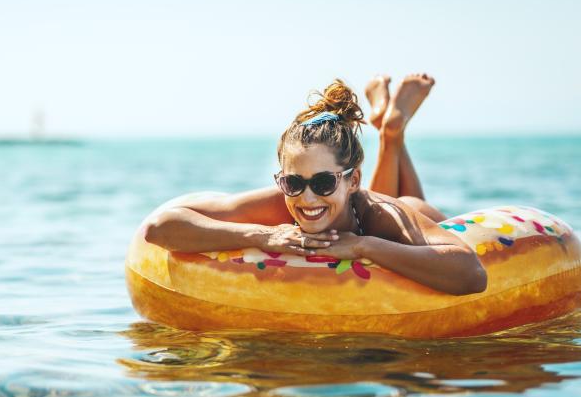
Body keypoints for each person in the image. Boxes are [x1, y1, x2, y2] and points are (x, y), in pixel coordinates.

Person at [143, 74, 487, 295]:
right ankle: (389, 128)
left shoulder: (383, 214)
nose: (306, 197)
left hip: (405, 212)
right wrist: (263, 235)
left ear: (353, 179)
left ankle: (391, 132)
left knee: (407, 200)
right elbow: (160, 228)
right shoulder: (279, 205)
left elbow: (471, 274)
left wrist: (363, 246)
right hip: (361, 207)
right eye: (293, 182)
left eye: (323, 182)